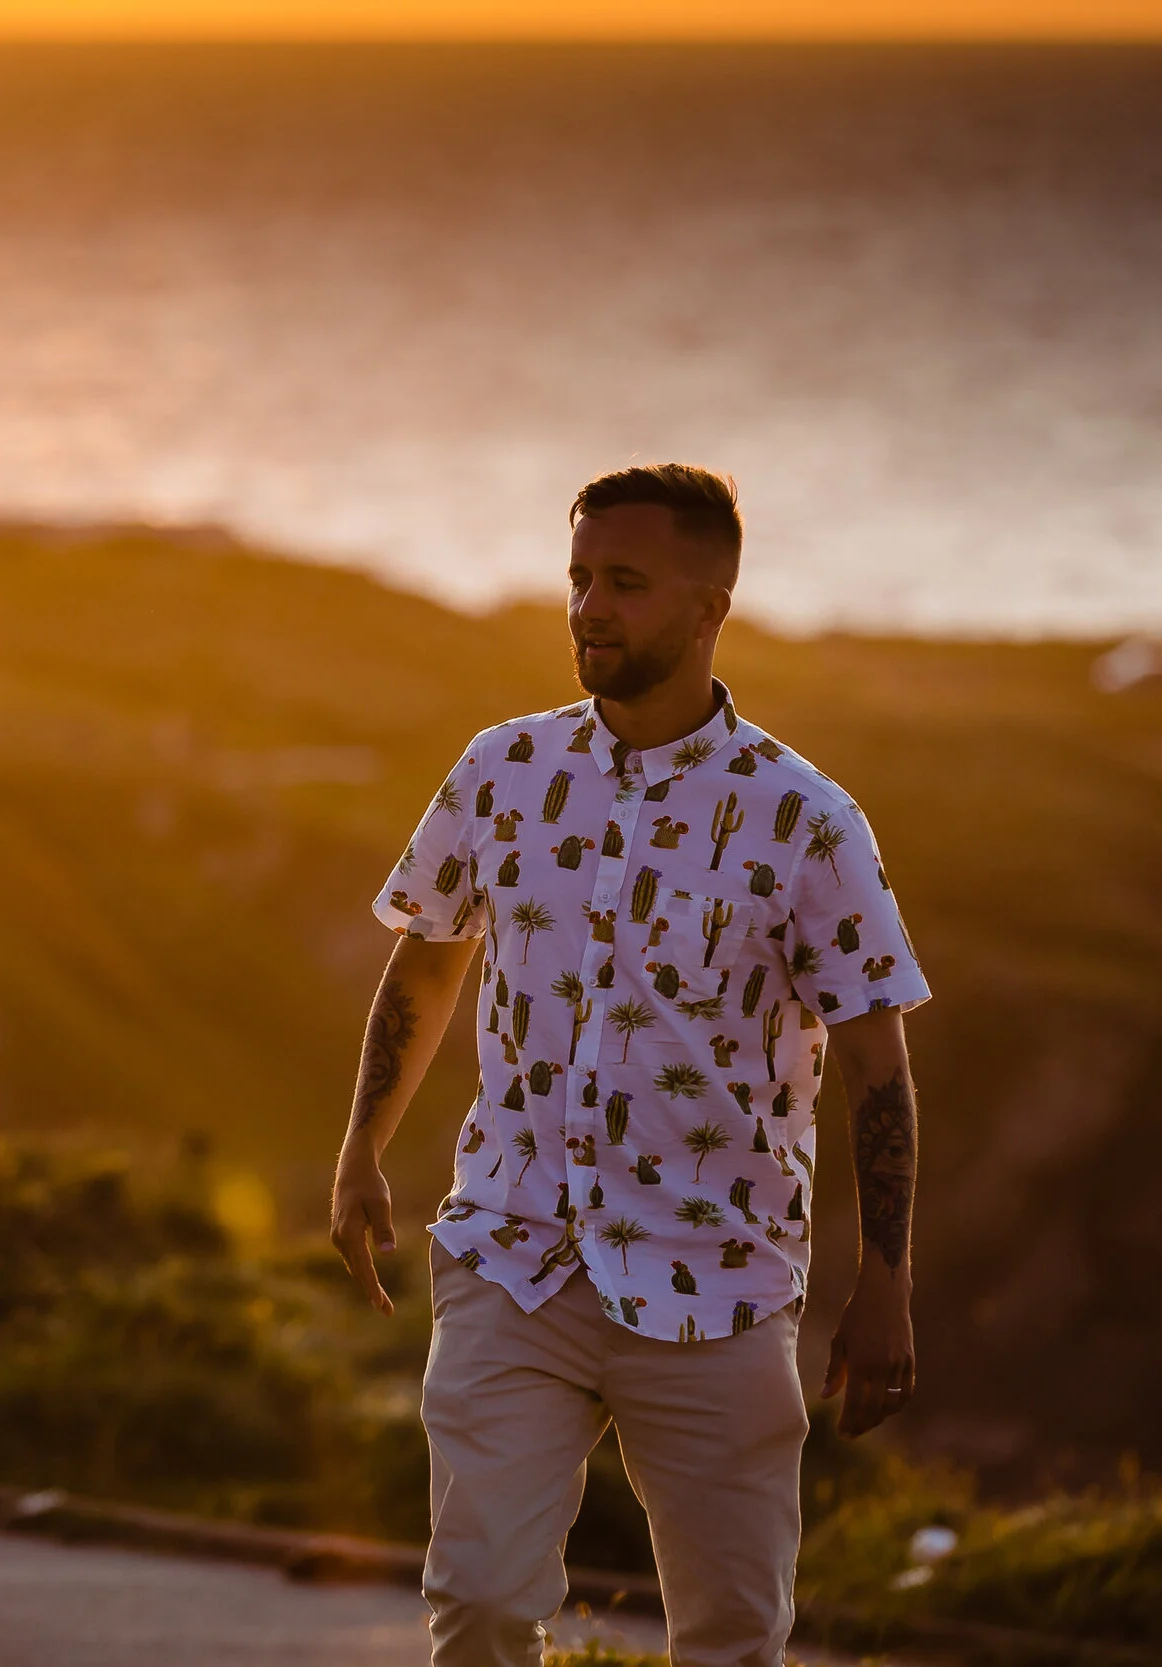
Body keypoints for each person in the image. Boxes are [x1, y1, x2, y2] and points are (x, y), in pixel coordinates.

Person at [327, 465, 927, 1667]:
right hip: (513, 1251)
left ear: (707, 608)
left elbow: (874, 1060)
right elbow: (427, 962)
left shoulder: (806, 819)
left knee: (731, 1637)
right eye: (579, 577)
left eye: (625, 583)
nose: (588, 607)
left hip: (719, 1281)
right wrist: (362, 1146)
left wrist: (884, 1281)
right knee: (483, 1605)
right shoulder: (500, 769)